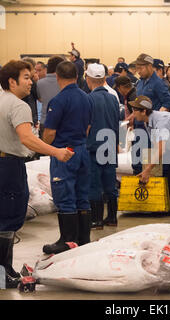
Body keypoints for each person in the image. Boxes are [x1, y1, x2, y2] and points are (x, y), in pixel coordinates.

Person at [0, 60, 73, 288]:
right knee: (9, 219)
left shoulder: (2, 100)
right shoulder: (19, 105)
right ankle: (4, 274)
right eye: (26, 77)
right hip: (9, 165)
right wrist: (57, 152)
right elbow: (27, 138)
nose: (32, 82)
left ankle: (5, 270)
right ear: (12, 81)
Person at [42, 61, 93, 255]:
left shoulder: (59, 100)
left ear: (57, 76)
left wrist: (47, 148)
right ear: (78, 76)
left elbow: (49, 133)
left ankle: (68, 239)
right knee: (82, 195)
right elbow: (88, 128)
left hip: (64, 152)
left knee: (65, 195)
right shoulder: (87, 98)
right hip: (82, 150)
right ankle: (83, 239)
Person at [85, 63, 120, 228]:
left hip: (94, 148)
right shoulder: (113, 98)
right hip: (110, 146)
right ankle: (112, 218)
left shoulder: (89, 99)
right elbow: (116, 123)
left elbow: (87, 126)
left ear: (88, 79)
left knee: (95, 185)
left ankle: (96, 220)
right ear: (105, 78)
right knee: (110, 184)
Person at [132, 53, 170, 174]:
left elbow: (168, 103)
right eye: (137, 68)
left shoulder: (158, 83)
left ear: (150, 66)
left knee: (151, 163)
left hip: (151, 129)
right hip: (139, 126)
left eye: (141, 68)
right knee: (137, 161)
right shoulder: (140, 83)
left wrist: (157, 118)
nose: (138, 71)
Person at [37, 55, 65, 137]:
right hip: (61, 122)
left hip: (45, 121)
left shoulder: (39, 83)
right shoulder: (64, 83)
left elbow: (40, 99)